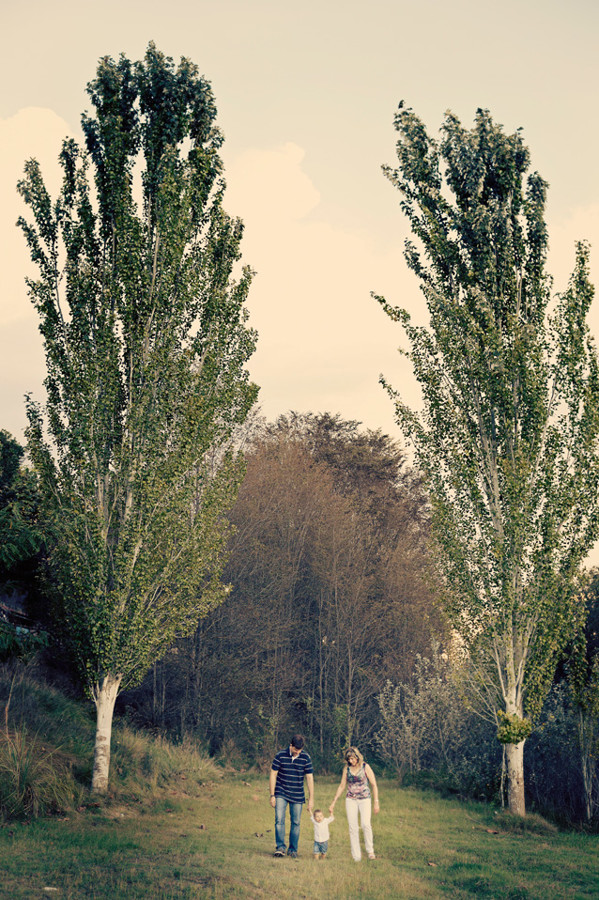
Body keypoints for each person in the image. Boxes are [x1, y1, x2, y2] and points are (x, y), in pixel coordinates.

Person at [329, 746, 379, 861]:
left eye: (352, 758)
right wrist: (333, 802)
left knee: (366, 824)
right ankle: (356, 855)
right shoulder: (346, 769)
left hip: (365, 799)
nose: (351, 761)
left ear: (357, 757)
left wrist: (376, 802)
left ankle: (370, 851)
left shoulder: (365, 767)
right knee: (353, 827)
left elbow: (374, 785)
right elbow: (342, 786)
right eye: (349, 759)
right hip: (351, 799)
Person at [269, 733, 314, 858]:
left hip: (298, 794)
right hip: (281, 792)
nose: (297, 752)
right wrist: (272, 795)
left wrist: (311, 798)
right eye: (295, 749)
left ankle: (293, 849)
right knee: (279, 820)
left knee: (296, 822)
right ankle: (280, 848)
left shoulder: (306, 758)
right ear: (290, 745)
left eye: (299, 750)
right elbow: (273, 774)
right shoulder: (280, 756)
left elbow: (309, 778)